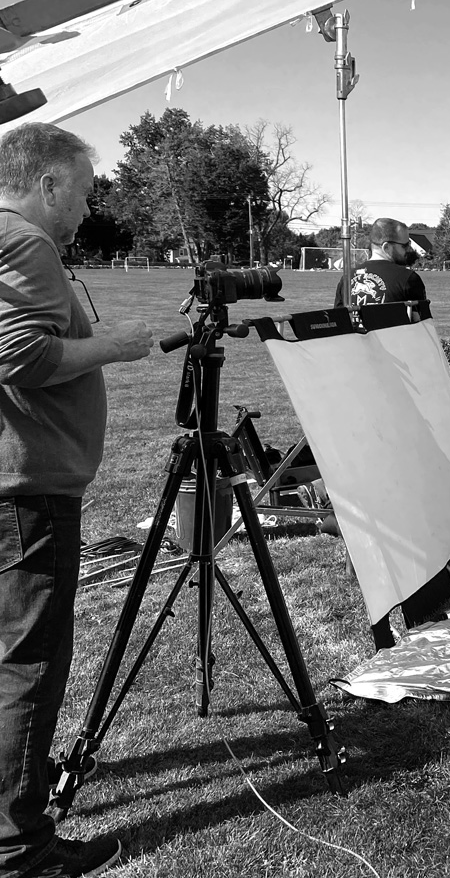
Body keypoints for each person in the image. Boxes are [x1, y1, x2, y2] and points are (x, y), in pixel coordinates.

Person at [0, 123, 153, 877]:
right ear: (50, 183)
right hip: (26, 490)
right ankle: (19, 851)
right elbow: (20, 356)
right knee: (28, 667)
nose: (87, 210)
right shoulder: (25, 243)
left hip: (15, 484)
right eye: (85, 193)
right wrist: (119, 346)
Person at [333, 217, 428, 312]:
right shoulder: (409, 279)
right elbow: (423, 323)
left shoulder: (346, 279)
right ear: (386, 247)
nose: (409, 249)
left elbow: (340, 321)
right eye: (405, 245)